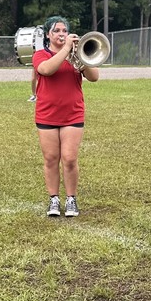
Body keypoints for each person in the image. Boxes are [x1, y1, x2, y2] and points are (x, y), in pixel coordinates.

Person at [32, 16, 99, 218]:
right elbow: (46, 70)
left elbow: (94, 77)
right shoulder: (40, 55)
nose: (61, 34)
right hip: (47, 113)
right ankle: (54, 198)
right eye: (57, 31)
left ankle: (71, 199)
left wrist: (81, 59)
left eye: (64, 30)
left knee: (69, 159)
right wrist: (65, 50)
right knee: (51, 159)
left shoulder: (76, 54)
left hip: (72, 113)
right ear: (48, 35)